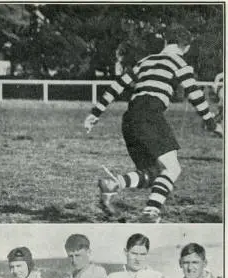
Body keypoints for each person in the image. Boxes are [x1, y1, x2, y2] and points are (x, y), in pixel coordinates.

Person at [85, 25, 220, 222]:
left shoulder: (145, 61)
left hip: (129, 119)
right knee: (173, 169)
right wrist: (211, 123)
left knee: (155, 173)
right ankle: (150, 213)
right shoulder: (179, 62)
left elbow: (117, 86)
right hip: (150, 115)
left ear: (166, 42)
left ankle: (113, 184)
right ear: (187, 47)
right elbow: (196, 94)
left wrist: (95, 113)